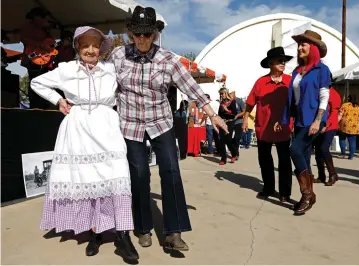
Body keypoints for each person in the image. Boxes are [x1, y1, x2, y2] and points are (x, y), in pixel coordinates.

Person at [108, 6, 228, 251]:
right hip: (130, 124)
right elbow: (103, 83)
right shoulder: (118, 56)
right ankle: (142, 228)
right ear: (131, 33)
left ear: (155, 34)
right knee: (139, 174)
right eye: (137, 34)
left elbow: (190, 86)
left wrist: (211, 114)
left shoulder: (168, 60)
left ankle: (173, 232)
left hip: (160, 122)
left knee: (171, 172)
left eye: (147, 35)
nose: (141, 40)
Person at [31, 26, 139, 261]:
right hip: (78, 128)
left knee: (117, 177)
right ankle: (94, 234)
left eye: (95, 45)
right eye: (85, 45)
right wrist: (58, 100)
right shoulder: (66, 69)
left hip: (107, 127)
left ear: (101, 48)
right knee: (86, 179)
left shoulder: (111, 69)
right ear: (78, 47)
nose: (91, 50)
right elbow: (37, 83)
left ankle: (123, 234)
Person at [274, 30, 331, 215]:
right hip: (300, 119)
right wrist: (284, 119)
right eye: (299, 44)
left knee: (294, 149)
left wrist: (318, 120)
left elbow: (324, 95)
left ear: (313, 47)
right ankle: (309, 195)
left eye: (304, 44)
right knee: (304, 156)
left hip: (314, 119)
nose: (299, 47)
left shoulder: (322, 69)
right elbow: (293, 98)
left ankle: (307, 194)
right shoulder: (297, 71)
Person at [243, 46, 293, 202]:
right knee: (265, 159)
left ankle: (285, 193)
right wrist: (245, 119)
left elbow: (297, 103)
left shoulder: (290, 81)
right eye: (279, 61)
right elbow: (250, 103)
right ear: (271, 63)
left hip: (284, 128)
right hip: (263, 128)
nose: (283, 63)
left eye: (284, 61)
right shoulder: (261, 82)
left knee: (284, 161)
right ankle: (268, 187)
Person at [20, 7, 56, 109]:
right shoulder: (28, 27)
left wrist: (50, 44)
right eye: (42, 17)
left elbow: (51, 43)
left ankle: (44, 105)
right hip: (33, 59)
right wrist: (39, 44)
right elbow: (23, 38)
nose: (44, 19)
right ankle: (35, 106)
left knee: (44, 82)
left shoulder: (45, 29)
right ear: (35, 17)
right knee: (34, 81)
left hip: (44, 61)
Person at [313, 84, 342, 186]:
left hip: (330, 126)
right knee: (318, 151)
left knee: (324, 148)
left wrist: (326, 125)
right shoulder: (319, 92)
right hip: (319, 125)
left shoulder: (333, 94)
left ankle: (332, 174)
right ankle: (321, 176)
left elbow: (334, 112)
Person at [218, 88, 238, 165]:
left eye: (222, 93)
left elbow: (234, 113)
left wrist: (227, 110)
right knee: (221, 141)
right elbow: (219, 113)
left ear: (226, 93)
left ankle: (234, 154)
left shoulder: (232, 102)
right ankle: (223, 158)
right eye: (220, 94)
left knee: (228, 140)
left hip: (230, 122)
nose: (221, 95)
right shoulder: (221, 103)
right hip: (222, 122)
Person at [338, 95, 359, 160]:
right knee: (352, 141)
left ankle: (343, 153)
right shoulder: (358, 107)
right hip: (355, 126)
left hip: (344, 125)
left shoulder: (344, 105)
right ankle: (351, 156)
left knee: (342, 139)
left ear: (348, 98)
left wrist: (337, 122)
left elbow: (340, 114)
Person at [230, 91, 245, 158]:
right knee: (228, 138)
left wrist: (237, 115)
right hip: (230, 122)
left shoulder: (239, 101)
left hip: (239, 121)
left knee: (237, 138)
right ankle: (235, 153)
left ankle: (236, 153)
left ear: (234, 94)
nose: (230, 96)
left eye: (231, 95)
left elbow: (244, 111)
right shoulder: (228, 102)